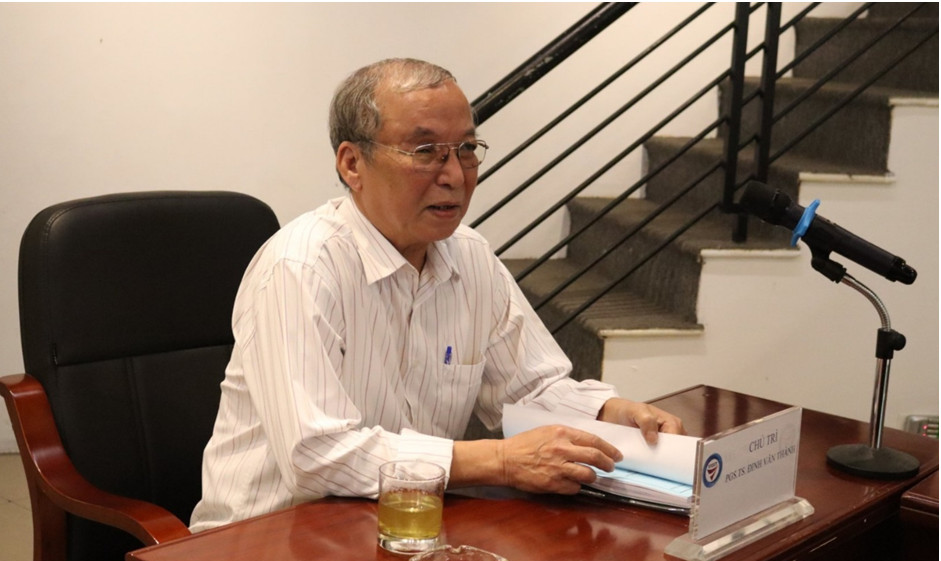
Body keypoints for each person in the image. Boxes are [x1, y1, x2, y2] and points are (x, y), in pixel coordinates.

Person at [189, 58, 684, 532]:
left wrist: (608, 414)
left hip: (403, 525)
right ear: (352, 164)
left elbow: (528, 389)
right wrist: (500, 460)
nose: (455, 175)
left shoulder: (469, 256)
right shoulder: (301, 267)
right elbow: (316, 455)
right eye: (425, 151)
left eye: (466, 149)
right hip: (262, 545)